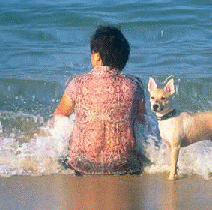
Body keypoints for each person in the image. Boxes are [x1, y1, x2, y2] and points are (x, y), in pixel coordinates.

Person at [54, 25, 145, 174]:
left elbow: (60, 115)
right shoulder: (135, 85)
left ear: (96, 55)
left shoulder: (78, 83)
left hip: (82, 165)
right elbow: (142, 121)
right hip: (124, 166)